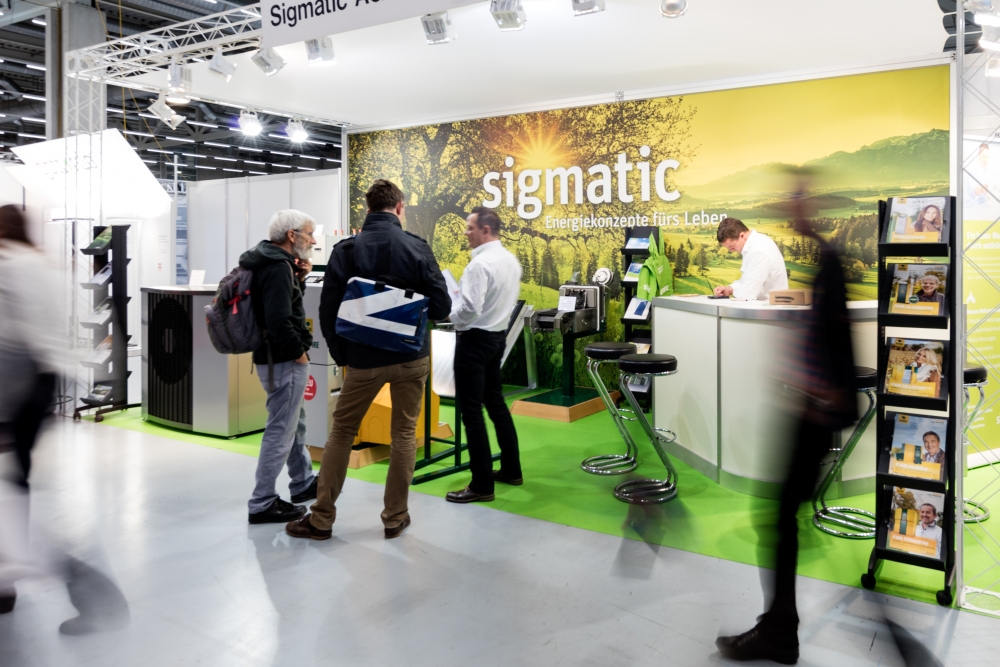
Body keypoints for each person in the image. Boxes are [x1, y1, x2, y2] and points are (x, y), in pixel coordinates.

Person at [717, 183, 857, 664]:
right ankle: (779, 628)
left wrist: (815, 395)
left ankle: (779, 633)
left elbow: (832, 339)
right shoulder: (823, 257)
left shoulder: (826, 260)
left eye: (795, 200)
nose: (787, 209)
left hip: (815, 409)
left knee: (778, 520)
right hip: (809, 404)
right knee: (778, 520)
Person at [286, 179, 450, 541]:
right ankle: (395, 517)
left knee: (342, 432)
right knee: (403, 434)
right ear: (400, 207)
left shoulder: (346, 250)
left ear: (367, 207)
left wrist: (342, 354)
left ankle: (321, 519)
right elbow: (442, 307)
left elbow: (328, 310)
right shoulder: (418, 248)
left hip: (362, 359)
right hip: (411, 357)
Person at [0, 205, 129, 634]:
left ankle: (87, 591)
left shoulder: (9, 266)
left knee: (12, 494)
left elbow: (11, 341)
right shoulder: (42, 264)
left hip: (15, 390)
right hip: (40, 385)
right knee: (14, 488)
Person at [240, 210, 318, 525]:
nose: (313, 240)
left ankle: (303, 482)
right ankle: (262, 502)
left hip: (272, 359)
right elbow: (278, 319)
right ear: (291, 235)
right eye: (309, 233)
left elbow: (281, 306)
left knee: (292, 423)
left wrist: (299, 279)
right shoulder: (276, 267)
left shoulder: (269, 261)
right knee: (281, 429)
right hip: (283, 360)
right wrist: (300, 354)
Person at [444, 208, 523, 504]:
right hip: (496, 339)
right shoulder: (510, 260)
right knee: (496, 404)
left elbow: (469, 310)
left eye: (470, 227)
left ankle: (481, 484)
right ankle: (512, 469)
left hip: (474, 342)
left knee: (471, 411)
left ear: (485, 230)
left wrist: (449, 315)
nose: (466, 232)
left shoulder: (479, 265)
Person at [712, 217, 788, 301]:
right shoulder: (754, 245)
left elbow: (749, 294)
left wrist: (733, 293)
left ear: (742, 236)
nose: (731, 251)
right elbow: (747, 281)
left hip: (770, 306)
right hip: (764, 305)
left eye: (732, 246)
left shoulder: (758, 250)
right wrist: (729, 289)